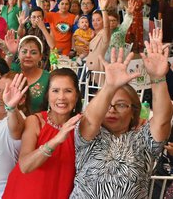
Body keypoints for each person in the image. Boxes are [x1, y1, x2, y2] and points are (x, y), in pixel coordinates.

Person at [71, 29, 172, 198]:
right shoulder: (90, 137)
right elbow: (89, 120)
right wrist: (109, 86)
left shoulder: (143, 140)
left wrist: (158, 78)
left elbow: (162, 121)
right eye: (108, 105)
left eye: (121, 105)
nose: (112, 109)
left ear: (134, 112)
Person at [3, 68, 83, 199]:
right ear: (47, 95)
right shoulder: (35, 121)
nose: (61, 97)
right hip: (25, 192)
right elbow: (25, 166)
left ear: (77, 95)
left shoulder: (81, 125)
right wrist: (56, 140)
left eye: (68, 91)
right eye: (55, 91)